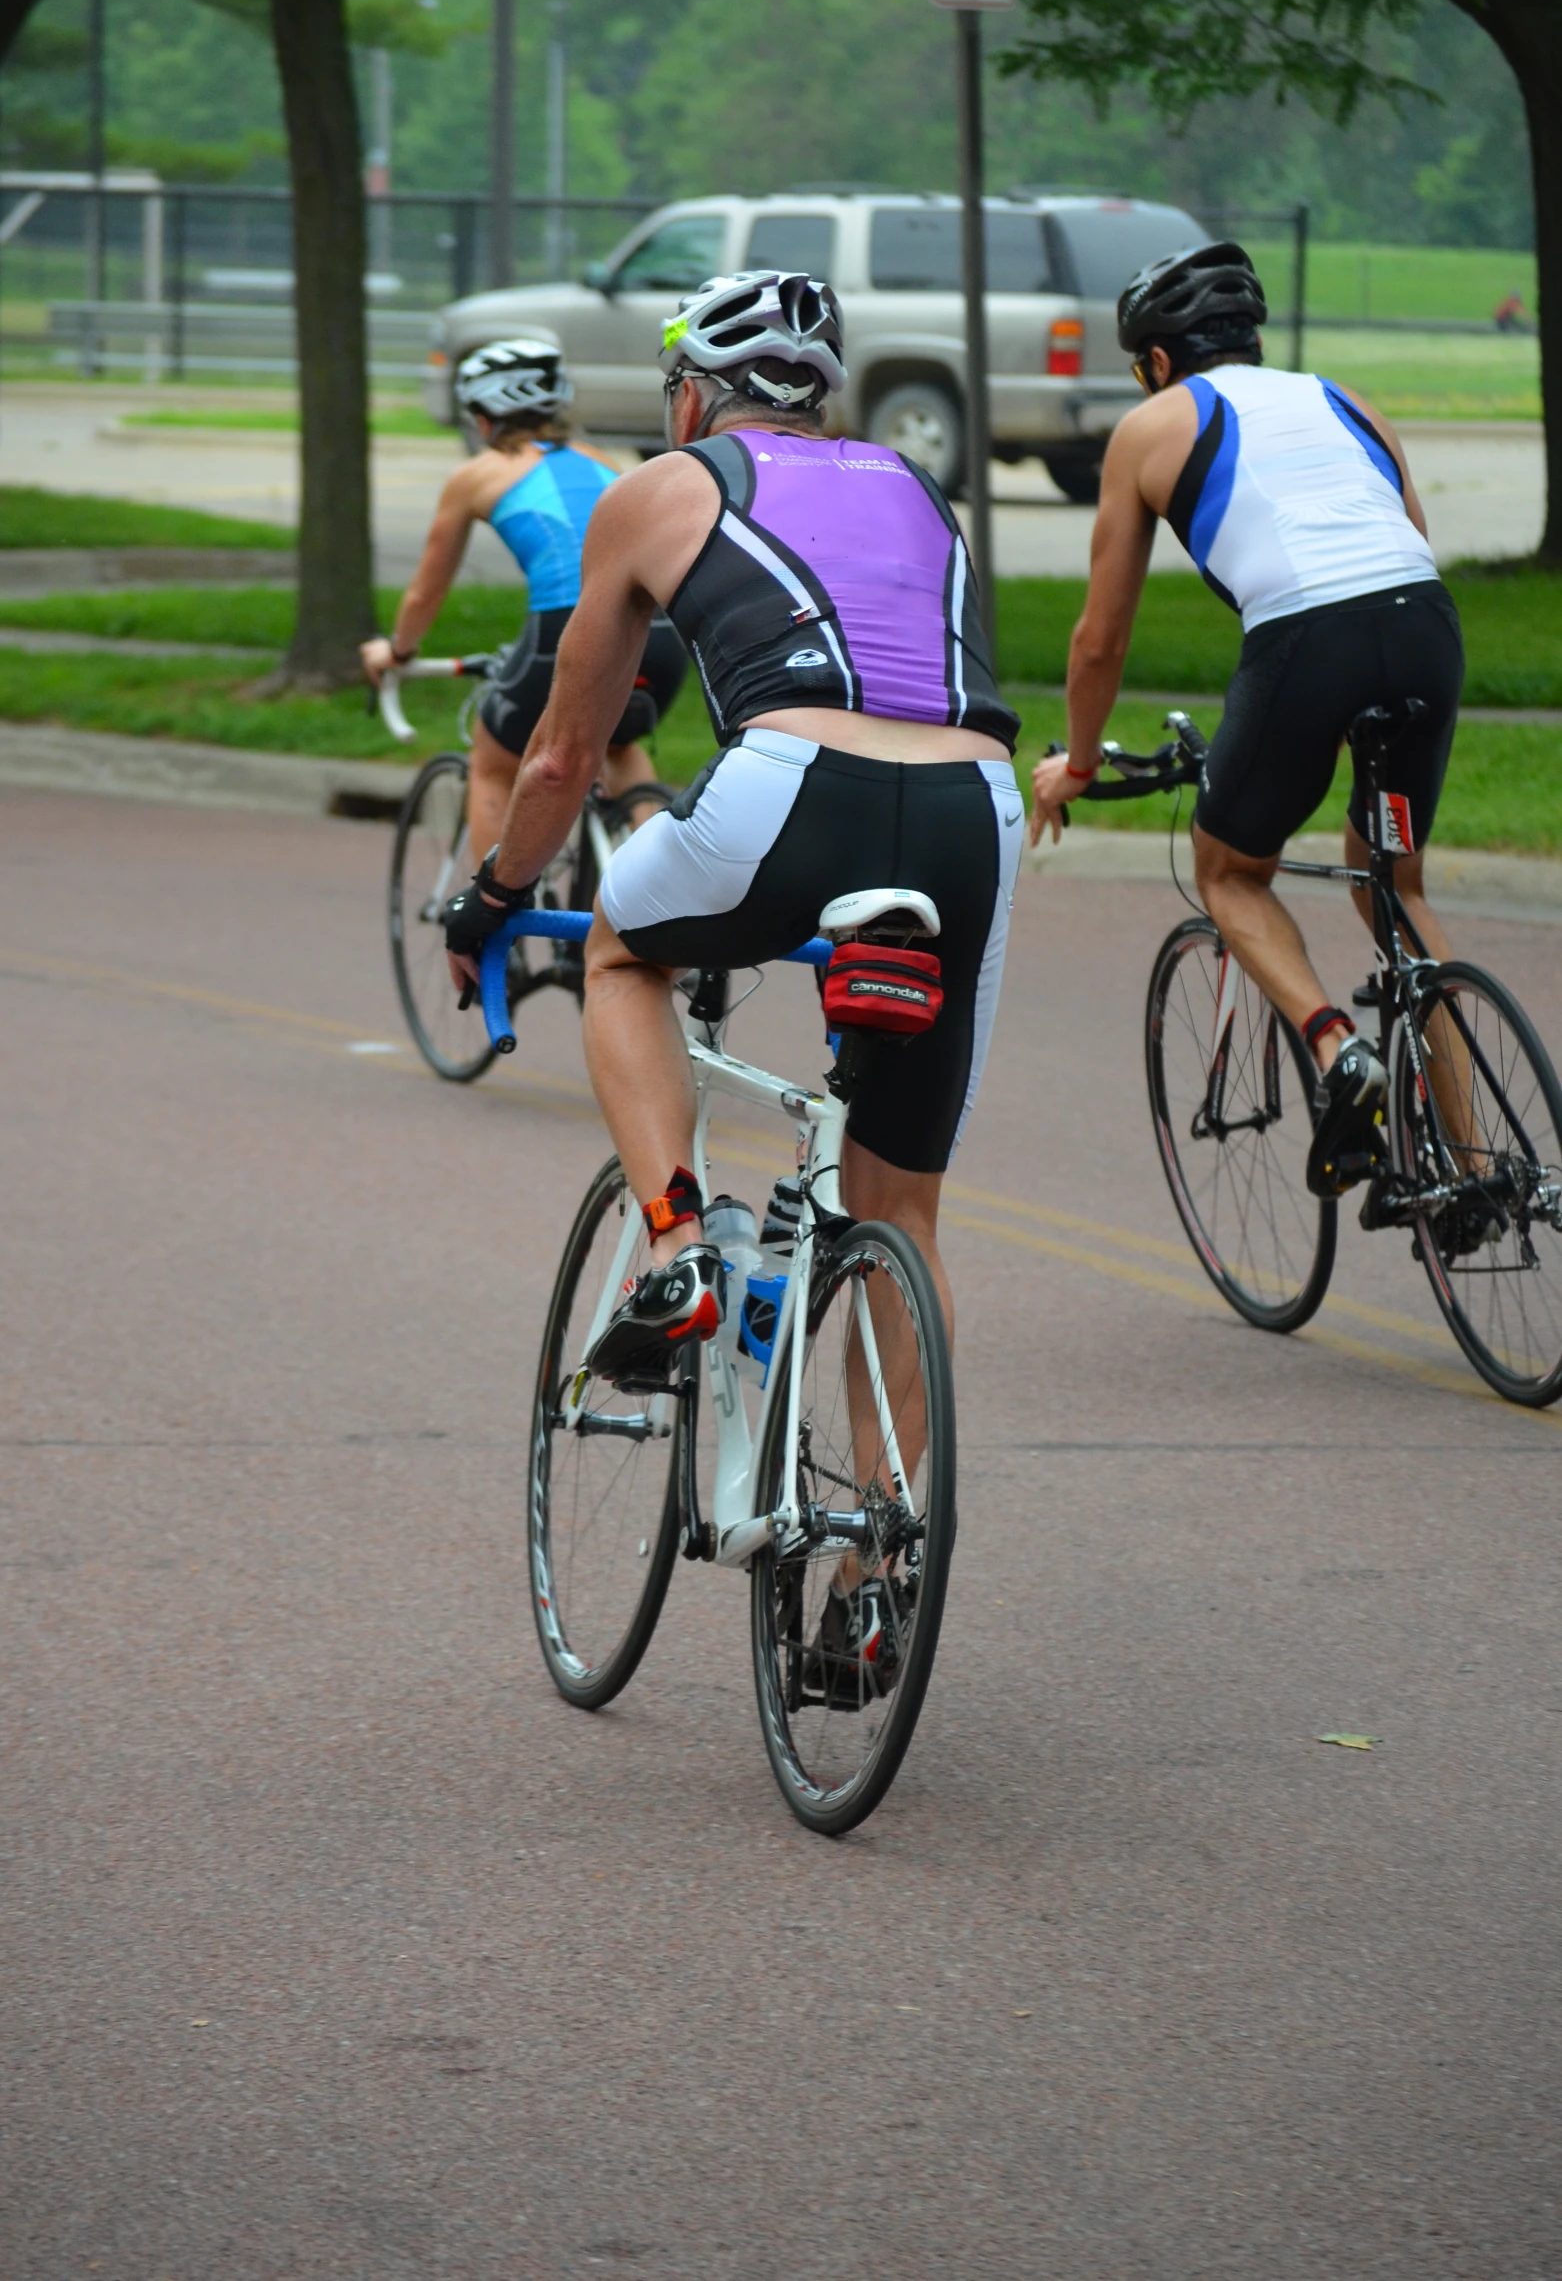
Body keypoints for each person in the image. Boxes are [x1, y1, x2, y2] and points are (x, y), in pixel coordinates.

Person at [442, 270, 1024, 1671]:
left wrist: (490, 898)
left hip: (790, 783)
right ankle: (875, 1571)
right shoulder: (910, 484)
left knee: (620, 950)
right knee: (904, 1212)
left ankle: (673, 1247)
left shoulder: (661, 485)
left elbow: (565, 758)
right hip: (973, 810)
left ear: (692, 393)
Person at [1029, 240, 1464, 1200]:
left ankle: (1339, 1048)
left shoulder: (1153, 425)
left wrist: (1085, 764)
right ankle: (1474, 1163)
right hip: (1426, 625)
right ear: (1252, 340)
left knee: (1228, 870)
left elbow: (1099, 641)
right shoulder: (1348, 400)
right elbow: (1408, 543)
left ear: (1154, 362)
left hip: (1309, 641)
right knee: (1392, 874)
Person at [361, 337, 687, 861]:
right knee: (618, 744)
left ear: (485, 418)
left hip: (572, 624)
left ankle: (494, 926)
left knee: (494, 761)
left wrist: (397, 651)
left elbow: (426, 590)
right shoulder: (604, 461)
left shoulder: (475, 477)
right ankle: (651, 887)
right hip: (666, 627)